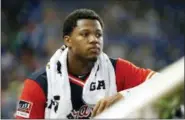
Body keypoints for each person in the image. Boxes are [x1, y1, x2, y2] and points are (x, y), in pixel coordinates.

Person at [15, 8, 156, 119]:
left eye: (98, 35)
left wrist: (125, 96)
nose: (94, 39)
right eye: (85, 34)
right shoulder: (38, 84)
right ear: (68, 40)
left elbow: (163, 80)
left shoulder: (118, 69)